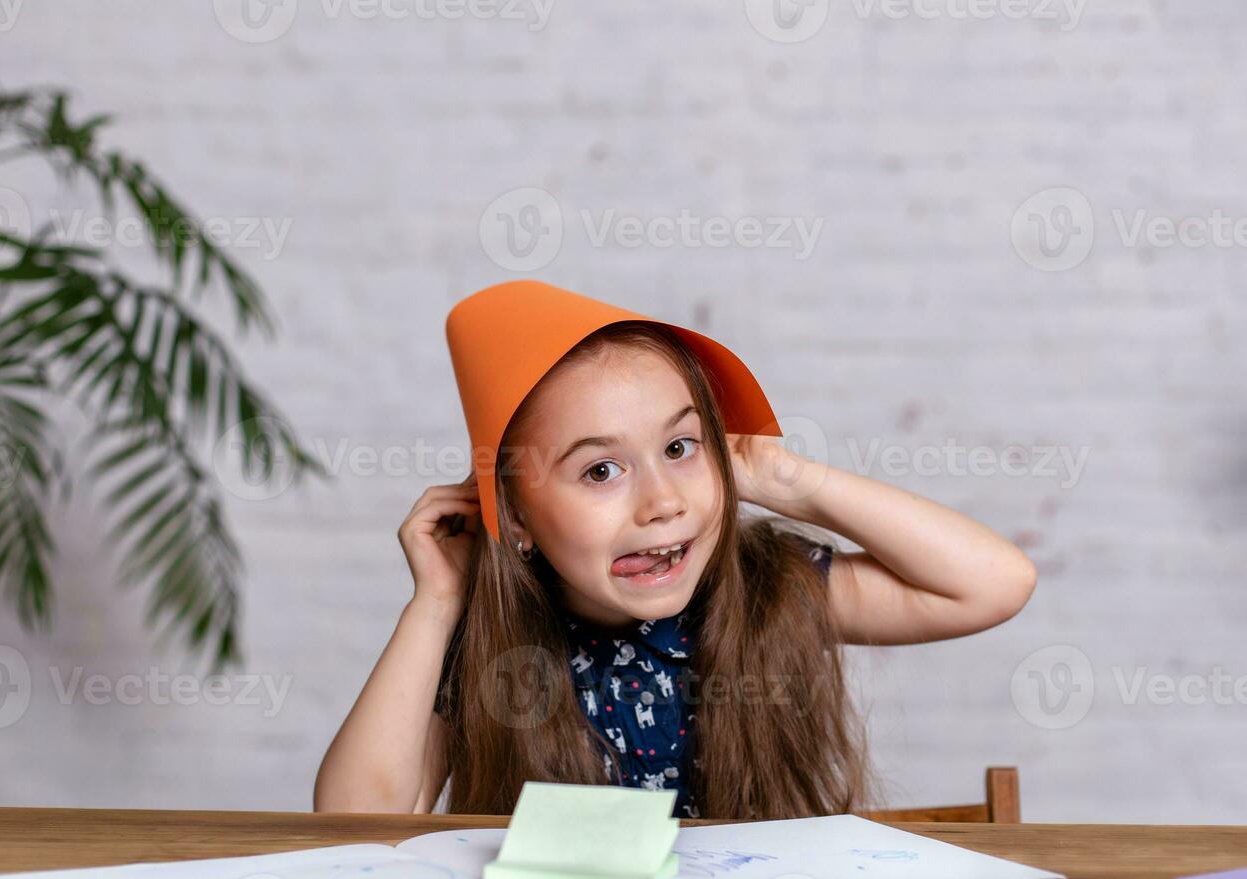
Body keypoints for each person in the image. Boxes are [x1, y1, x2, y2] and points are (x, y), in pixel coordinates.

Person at [315, 280, 1036, 819]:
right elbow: (353, 828)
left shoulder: (768, 588)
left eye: (681, 447)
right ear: (516, 517)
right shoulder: (488, 642)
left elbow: (993, 583)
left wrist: (789, 479)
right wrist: (438, 601)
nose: (662, 502)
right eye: (601, 470)